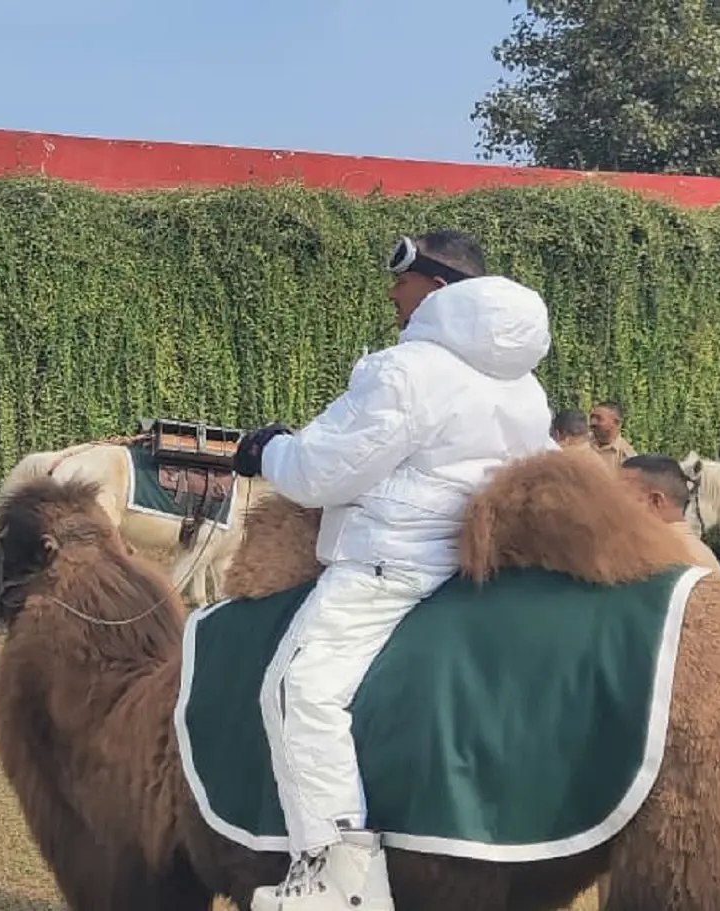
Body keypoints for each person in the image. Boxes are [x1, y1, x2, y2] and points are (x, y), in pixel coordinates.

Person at [233, 231, 556, 911]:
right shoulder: (526, 387)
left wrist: (267, 450)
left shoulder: (405, 369)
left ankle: (334, 879)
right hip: (473, 571)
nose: (392, 294)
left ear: (436, 290)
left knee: (298, 693)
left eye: (401, 282)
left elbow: (321, 472)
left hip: (392, 567)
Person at [620, 454, 720, 579]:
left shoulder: (652, 559)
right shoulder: (703, 557)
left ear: (655, 501)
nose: (612, 504)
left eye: (621, 496)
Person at [588, 401, 637, 466]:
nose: (592, 423)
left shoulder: (626, 457)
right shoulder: (580, 442)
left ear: (616, 423)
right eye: (592, 417)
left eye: (599, 418)